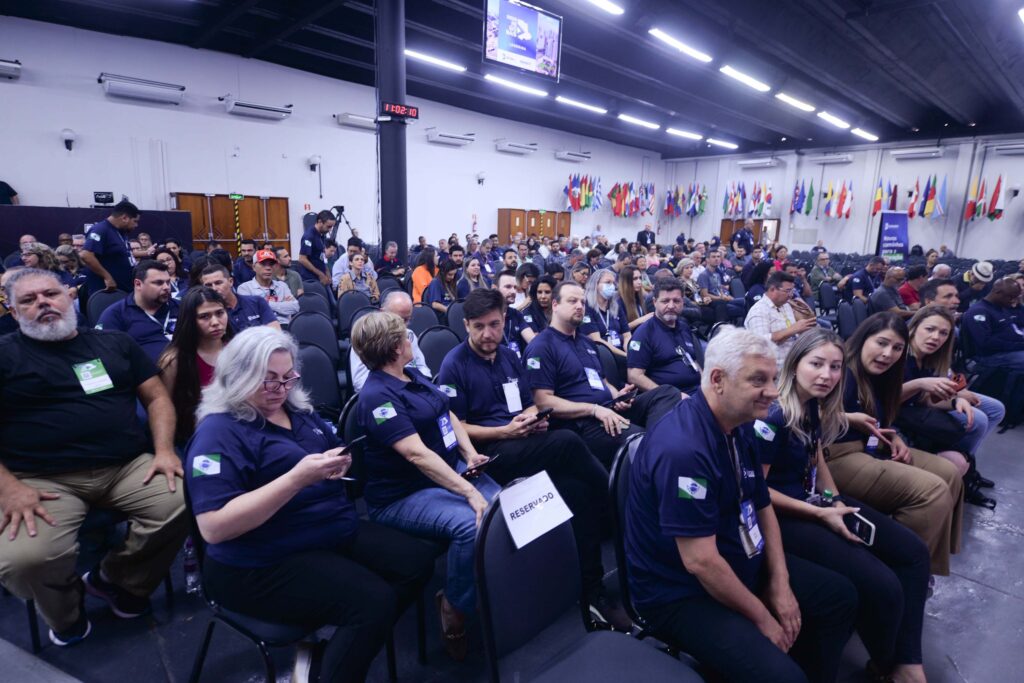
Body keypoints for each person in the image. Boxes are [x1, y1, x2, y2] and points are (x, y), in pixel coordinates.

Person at [186, 326, 436, 682]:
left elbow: (322, 450)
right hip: (258, 561)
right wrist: (296, 479)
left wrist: (336, 462)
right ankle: (331, 669)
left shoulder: (296, 409)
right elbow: (214, 527)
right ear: (237, 377)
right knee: (372, 602)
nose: (280, 388)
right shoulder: (219, 431)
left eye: (288, 377)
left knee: (416, 561)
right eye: (268, 380)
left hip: (323, 530)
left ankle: (338, 652)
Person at [625, 326, 857, 683]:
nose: (773, 392)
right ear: (718, 379)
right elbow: (700, 562)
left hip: (737, 556)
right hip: (681, 594)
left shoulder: (742, 421)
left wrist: (780, 582)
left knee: (838, 597)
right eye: (759, 381)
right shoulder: (683, 451)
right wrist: (763, 619)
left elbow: (762, 506)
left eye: (774, 379)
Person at [0, 268, 186, 646]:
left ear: (69, 296)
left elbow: (157, 398)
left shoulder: (113, 343)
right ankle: (66, 615)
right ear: (13, 312)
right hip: (38, 478)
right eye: (29, 300)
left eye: (50, 294)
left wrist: (165, 450)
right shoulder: (4, 356)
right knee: (26, 559)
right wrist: (8, 488)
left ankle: (115, 579)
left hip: (124, 465)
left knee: (186, 498)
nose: (43, 304)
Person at [436, 288, 629, 629]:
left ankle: (591, 591)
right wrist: (505, 432)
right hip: (489, 454)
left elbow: (530, 402)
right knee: (569, 441)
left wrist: (530, 418)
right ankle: (618, 502)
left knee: (577, 493)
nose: (487, 334)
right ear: (466, 325)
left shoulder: (510, 356)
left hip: (523, 442)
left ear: (504, 321)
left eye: (494, 325)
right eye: (478, 327)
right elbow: (457, 428)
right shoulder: (454, 364)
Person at [753, 329, 930, 683]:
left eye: (835, 367)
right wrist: (822, 512)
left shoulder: (813, 404)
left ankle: (907, 657)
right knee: (883, 585)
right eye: (816, 364)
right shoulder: (773, 417)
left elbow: (814, 454)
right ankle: (889, 664)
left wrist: (834, 499)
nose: (827, 375)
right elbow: (757, 493)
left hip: (817, 502)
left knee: (913, 553)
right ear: (794, 364)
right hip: (784, 517)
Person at [352, 311, 501, 662]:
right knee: (472, 524)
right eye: (405, 336)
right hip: (401, 496)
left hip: (445, 472)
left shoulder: (412, 375)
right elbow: (416, 455)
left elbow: (446, 414)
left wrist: (470, 454)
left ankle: (494, 587)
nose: (410, 340)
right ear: (392, 347)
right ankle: (455, 606)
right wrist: (467, 491)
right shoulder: (376, 397)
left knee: (503, 507)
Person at [826, 313, 964, 576]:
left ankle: (927, 566)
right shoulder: (838, 369)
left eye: (897, 348)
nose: (888, 354)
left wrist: (892, 435)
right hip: (833, 457)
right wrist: (847, 417)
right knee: (931, 490)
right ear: (863, 339)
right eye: (881, 343)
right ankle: (898, 570)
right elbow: (800, 412)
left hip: (870, 445)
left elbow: (876, 417)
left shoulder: (882, 376)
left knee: (950, 473)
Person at [523, 281, 680, 467]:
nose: (580, 306)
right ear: (555, 305)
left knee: (667, 392)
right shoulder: (542, 346)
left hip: (608, 408)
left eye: (582, 302)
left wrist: (618, 396)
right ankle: (657, 452)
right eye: (572, 301)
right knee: (639, 440)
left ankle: (660, 446)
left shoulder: (586, 343)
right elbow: (543, 402)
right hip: (582, 422)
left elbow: (603, 381)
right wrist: (594, 409)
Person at [903, 305, 1003, 505]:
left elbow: (924, 397)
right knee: (978, 421)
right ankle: (960, 469)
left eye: (943, 333)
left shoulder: (931, 359)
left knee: (992, 409)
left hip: (916, 406)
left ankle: (964, 466)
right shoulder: (900, 354)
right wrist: (920, 384)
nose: (936, 337)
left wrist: (955, 400)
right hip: (896, 416)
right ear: (914, 328)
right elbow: (883, 399)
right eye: (930, 329)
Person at [157, 287, 233, 445]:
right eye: (204, 317)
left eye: (220, 313)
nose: (215, 322)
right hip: (195, 437)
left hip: (237, 430)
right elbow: (163, 410)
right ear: (190, 320)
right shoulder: (174, 360)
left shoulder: (238, 350)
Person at [627, 278, 704, 396]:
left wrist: (707, 384)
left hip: (697, 391)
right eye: (665, 301)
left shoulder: (684, 328)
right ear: (654, 302)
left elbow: (692, 361)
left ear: (683, 303)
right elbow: (634, 376)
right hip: (669, 399)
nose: (671, 306)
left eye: (676, 301)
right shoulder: (644, 333)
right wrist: (671, 395)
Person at [97, 260, 180, 363]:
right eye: (159, 283)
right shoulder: (115, 315)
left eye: (168, 282)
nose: (166, 287)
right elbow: (107, 356)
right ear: (138, 284)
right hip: (145, 375)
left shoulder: (181, 307)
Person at [349, 291, 430, 392]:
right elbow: (360, 382)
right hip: (386, 395)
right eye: (398, 319)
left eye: (407, 319)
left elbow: (423, 369)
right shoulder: (366, 339)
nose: (404, 325)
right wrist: (401, 386)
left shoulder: (409, 335)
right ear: (383, 313)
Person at [745, 271, 818, 364]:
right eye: (787, 291)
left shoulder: (785, 305)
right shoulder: (759, 311)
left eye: (792, 290)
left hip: (794, 359)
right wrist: (793, 329)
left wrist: (802, 329)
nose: (791, 295)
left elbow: (792, 333)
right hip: (775, 367)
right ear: (772, 289)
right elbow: (760, 343)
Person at [962, 278, 1024, 372]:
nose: (1013, 301)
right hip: (987, 356)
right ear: (998, 292)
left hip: (1006, 351)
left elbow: (1011, 332)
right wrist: (1019, 345)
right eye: (1010, 297)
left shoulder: (1001, 307)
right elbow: (985, 343)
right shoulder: (979, 311)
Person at [79, 201, 141, 293]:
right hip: (109, 293)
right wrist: (107, 277)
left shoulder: (121, 231)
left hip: (124, 289)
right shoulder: (101, 229)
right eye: (135, 221)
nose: (136, 225)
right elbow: (86, 255)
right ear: (124, 218)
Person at [198, 264, 279, 333]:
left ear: (230, 282)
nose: (214, 288)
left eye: (218, 283)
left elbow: (275, 333)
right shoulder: (208, 316)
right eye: (208, 285)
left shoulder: (256, 302)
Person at [237, 249, 300, 326]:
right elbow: (250, 313)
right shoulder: (244, 288)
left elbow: (295, 307)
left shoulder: (282, 286)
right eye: (263, 264)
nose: (268, 268)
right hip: (261, 330)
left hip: (284, 327)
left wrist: (263, 304)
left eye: (271, 264)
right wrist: (282, 304)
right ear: (254, 267)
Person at [581, 268, 630, 357]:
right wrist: (625, 355)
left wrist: (628, 350)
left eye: (613, 283)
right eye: (608, 282)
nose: (612, 286)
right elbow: (597, 340)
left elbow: (627, 334)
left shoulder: (615, 305)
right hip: (603, 355)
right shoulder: (586, 307)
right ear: (595, 284)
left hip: (622, 352)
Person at [493, 270, 534, 358]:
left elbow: (532, 340)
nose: (513, 291)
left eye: (515, 287)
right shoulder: (487, 316)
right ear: (495, 289)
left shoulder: (516, 314)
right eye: (508, 287)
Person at [698, 250, 745, 322]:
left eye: (718, 256)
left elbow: (719, 288)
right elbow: (704, 295)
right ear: (707, 259)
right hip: (715, 303)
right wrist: (722, 298)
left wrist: (725, 296)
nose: (716, 259)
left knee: (745, 302)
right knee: (742, 308)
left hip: (723, 299)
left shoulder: (717, 273)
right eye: (713, 257)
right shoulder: (703, 275)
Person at [297, 210, 335, 286]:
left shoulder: (322, 235)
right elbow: (302, 259)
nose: (330, 229)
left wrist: (327, 272)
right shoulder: (309, 236)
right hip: (310, 280)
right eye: (328, 226)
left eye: (331, 227)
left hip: (320, 278)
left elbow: (322, 255)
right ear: (320, 222)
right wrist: (320, 274)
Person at [617, 265, 653, 331]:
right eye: (635, 279)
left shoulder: (640, 298)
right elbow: (620, 329)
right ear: (626, 281)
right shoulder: (619, 302)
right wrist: (641, 320)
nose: (639, 282)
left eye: (640, 278)